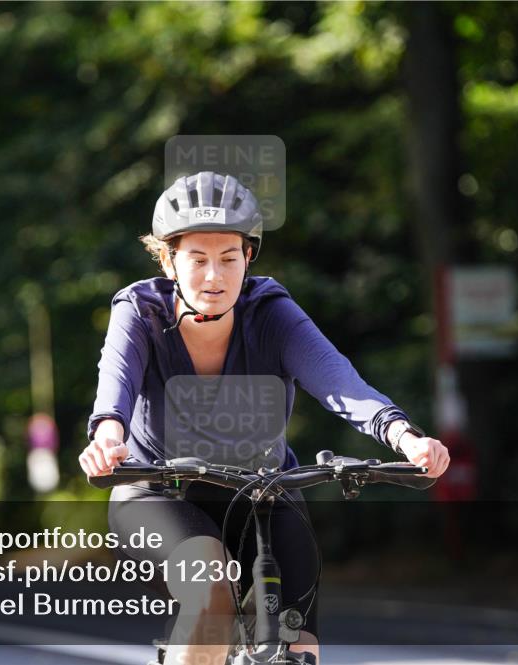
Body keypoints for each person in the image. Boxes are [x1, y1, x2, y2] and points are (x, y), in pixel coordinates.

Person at [81, 171, 450, 665]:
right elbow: (116, 385)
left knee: (298, 644)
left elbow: (339, 381)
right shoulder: (140, 313)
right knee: (210, 591)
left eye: (229, 259)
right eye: (198, 259)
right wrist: (108, 438)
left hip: (264, 492)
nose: (215, 276)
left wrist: (406, 439)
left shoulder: (270, 312)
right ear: (169, 260)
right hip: (159, 491)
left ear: (248, 257)